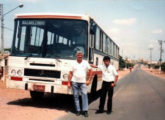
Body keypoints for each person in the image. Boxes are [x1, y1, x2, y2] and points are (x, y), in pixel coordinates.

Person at [68, 51, 92, 117]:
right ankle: (78, 110)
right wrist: (68, 83)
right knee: (76, 96)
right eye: (78, 55)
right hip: (74, 82)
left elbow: (91, 71)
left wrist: (89, 80)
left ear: (82, 56)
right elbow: (70, 73)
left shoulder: (85, 63)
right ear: (76, 56)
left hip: (83, 82)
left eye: (81, 55)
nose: (80, 56)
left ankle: (85, 111)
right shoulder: (73, 63)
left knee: (84, 95)